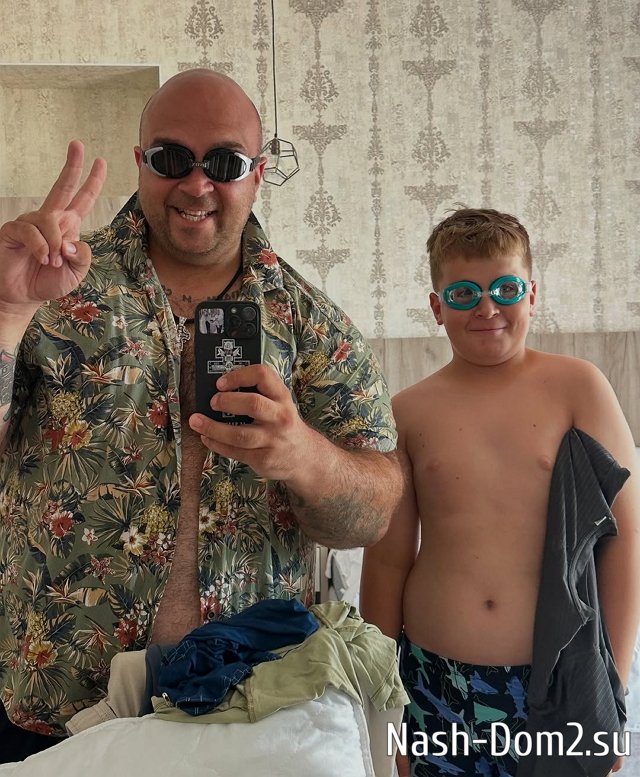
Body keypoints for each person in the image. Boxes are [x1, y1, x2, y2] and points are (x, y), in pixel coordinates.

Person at [0, 68, 402, 757]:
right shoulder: (52, 289)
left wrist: (302, 456)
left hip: (245, 712)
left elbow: (371, 516)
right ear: (140, 161)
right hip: (52, 710)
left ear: (258, 173)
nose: (196, 183)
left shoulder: (312, 326)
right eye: (170, 158)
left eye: (224, 162)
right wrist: (7, 312)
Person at [360, 208, 640, 777]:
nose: (487, 308)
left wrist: (611, 689)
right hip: (435, 680)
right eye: (463, 294)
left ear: (531, 295)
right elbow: (387, 561)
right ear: (437, 308)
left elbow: (624, 537)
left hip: (555, 680)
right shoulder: (407, 413)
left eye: (505, 289)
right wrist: (384, 707)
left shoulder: (578, 387)